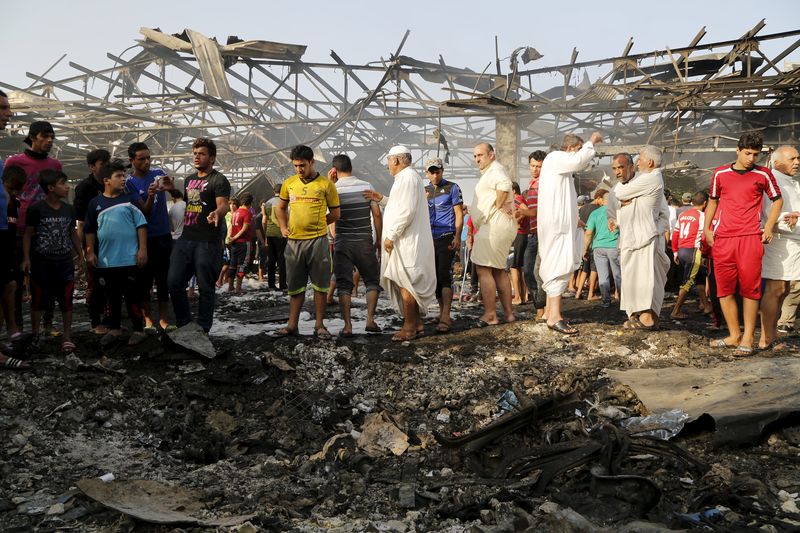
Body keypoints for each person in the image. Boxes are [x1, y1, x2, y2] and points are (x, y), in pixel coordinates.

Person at [704, 132, 782, 354]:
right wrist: (706, 228)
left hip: (750, 238)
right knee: (724, 290)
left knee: (750, 290)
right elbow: (712, 200)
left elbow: (777, 200)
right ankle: (733, 335)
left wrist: (769, 227)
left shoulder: (763, 174)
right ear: (737, 150)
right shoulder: (720, 174)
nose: (751, 158)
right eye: (747, 153)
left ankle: (748, 337)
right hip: (724, 239)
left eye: (755, 154)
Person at [537, 132, 602, 334]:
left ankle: (549, 312)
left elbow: (564, 198)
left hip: (559, 223)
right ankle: (555, 317)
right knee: (559, 264)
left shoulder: (558, 168)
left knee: (555, 262)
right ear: (572, 148)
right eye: (578, 149)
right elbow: (580, 160)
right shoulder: (556, 157)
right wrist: (592, 142)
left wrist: (576, 219)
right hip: (557, 226)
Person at [273, 145, 340, 339]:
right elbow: (280, 208)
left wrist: (319, 224)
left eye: (302, 165)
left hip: (318, 242)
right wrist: (283, 227)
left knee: (320, 286)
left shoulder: (326, 185)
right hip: (294, 243)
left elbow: (336, 213)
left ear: (312, 162)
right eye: (295, 166)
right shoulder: (289, 183)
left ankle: (319, 325)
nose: (299, 169)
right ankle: (292, 325)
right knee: (295, 287)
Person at [167, 138, 231, 334]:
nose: (196, 156)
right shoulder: (189, 180)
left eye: (201, 153)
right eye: (194, 153)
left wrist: (217, 214)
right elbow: (191, 203)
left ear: (211, 158)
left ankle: (203, 328)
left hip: (207, 241)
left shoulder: (219, 180)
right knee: (174, 282)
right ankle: (184, 324)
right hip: (186, 238)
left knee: (205, 287)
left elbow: (224, 205)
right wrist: (170, 189)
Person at [6, 121, 62, 335]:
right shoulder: (15, 162)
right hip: (19, 227)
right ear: (32, 137)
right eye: (44, 136)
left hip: (45, 227)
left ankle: (47, 323)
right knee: (18, 277)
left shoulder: (55, 165)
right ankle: (18, 325)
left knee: (46, 276)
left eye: (52, 137)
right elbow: (7, 190)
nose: (49, 141)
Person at [374, 146, 435, 341]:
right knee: (406, 281)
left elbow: (406, 211)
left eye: (389, 161)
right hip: (406, 240)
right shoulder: (406, 178)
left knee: (405, 282)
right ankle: (416, 324)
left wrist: (391, 235)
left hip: (406, 241)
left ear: (397, 161)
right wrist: (382, 199)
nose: (387, 166)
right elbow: (399, 204)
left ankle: (408, 328)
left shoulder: (407, 178)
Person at [84, 160, 148, 346]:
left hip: (129, 259)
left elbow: (141, 225)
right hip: (106, 261)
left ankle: (139, 329)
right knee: (111, 297)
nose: (123, 179)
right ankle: (115, 328)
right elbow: (90, 229)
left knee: (132, 297)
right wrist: (90, 252)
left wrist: (143, 249)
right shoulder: (95, 203)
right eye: (118, 176)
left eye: (124, 175)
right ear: (106, 180)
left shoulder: (130, 200)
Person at [607, 145, 671, 330]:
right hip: (628, 240)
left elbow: (663, 215)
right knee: (631, 281)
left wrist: (654, 231)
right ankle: (635, 316)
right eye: (615, 169)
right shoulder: (614, 191)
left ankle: (648, 319)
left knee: (647, 281)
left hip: (647, 240)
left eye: (621, 167)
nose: (618, 172)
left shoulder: (648, 179)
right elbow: (614, 212)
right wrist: (614, 220)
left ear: (631, 167)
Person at [22, 170, 82, 354]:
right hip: (41, 262)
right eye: (63, 183)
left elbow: (72, 233)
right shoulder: (37, 209)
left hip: (64, 263)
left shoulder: (68, 209)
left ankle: (66, 337)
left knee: (66, 300)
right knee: (38, 301)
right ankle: (35, 335)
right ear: (50, 188)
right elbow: (28, 234)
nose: (67, 186)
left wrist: (81, 255)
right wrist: (26, 258)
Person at [329, 154, 383, 336]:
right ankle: (370, 320)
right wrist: (378, 238)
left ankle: (347, 326)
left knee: (344, 284)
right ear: (351, 167)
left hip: (343, 241)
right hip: (364, 240)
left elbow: (331, 217)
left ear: (334, 170)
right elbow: (376, 214)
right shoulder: (366, 186)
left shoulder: (333, 189)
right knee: (372, 281)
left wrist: (336, 237)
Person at [126, 142, 174, 332]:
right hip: (144, 238)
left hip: (163, 235)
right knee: (144, 280)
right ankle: (148, 319)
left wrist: (170, 187)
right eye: (141, 159)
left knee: (163, 279)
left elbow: (174, 192)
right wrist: (151, 195)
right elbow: (144, 211)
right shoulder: (129, 183)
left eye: (148, 158)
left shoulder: (158, 173)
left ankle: (163, 318)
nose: (146, 162)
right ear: (132, 161)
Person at [470, 143, 517, 327]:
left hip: (493, 226)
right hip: (497, 225)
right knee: (498, 270)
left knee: (483, 269)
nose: (477, 159)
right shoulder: (491, 171)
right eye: (475, 156)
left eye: (480, 155)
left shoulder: (495, 169)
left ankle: (490, 314)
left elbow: (505, 185)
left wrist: (499, 204)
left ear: (491, 155)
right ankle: (509, 314)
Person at [758, 145, 800, 349]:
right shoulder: (772, 182)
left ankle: (772, 334)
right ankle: (766, 337)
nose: (797, 162)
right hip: (779, 242)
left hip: (793, 242)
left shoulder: (791, 182)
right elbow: (768, 215)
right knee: (775, 289)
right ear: (776, 163)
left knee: (783, 289)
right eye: (792, 159)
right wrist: (789, 219)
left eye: (798, 158)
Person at [424, 156, 463, 332]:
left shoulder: (452, 187)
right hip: (428, 238)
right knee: (435, 278)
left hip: (446, 236)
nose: (434, 175)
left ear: (442, 171)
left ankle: (446, 316)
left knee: (444, 275)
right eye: (431, 172)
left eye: (437, 172)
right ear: (426, 173)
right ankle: (441, 313)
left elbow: (459, 214)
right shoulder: (423, 190)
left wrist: (457, 236)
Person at [74, 149, 111, 334]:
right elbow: (81, 222)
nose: (106, 166)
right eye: (102, 163)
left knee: (113, 282)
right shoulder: (84, 188)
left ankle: (110, 318)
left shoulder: (112, 184)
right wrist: (84, 252)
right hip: (94, 241)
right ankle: (96, 321)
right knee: (97, 282)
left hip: (112, 241)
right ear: (92, 166)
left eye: (108, 162)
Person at [669, 191, 711, 320]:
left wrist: (675, 251)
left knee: (699, 278)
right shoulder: (702, 216)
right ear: (705, 203)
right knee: (687, 281)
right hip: (693, 251)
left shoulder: (683, 215)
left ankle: (705, 305)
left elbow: (675, 234)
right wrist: (705, 253)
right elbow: (703, 236)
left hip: (682, 250)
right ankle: (676, 311)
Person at [516, 151, 547, 318]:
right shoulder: (533, 184)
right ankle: (539, 306)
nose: (535, 169)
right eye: (533, 166)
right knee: (527, 270)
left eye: (539, 166)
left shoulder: (545, 183)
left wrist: (522, 210)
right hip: (533, 234)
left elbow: (540, 210)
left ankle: (544, 309)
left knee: (538, 272)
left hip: (544, 233)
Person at [582, 189, 619, 308]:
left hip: (598, 247)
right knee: (618, 274)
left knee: (603, 275)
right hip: (614, 246)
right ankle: (622, 299)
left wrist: (585, 249)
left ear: (603, 201)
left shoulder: (595, 213)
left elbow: (588, 233)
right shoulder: (618, 212)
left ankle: (606, 300)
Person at [575, 191, 602, 300]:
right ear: (599, 198)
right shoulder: (597, 210)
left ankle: (578, 292)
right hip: (594, 240)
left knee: (585, 269)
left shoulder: (582, 208)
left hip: (584, 240)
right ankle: (591, 294)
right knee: (594, 268)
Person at [228, 192, 254, 294]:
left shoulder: (235, 212)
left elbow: (231, 226)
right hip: (243, 242)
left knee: (232, 264)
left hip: (234, 243)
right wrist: (235, 237)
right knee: (242, 265)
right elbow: (245, 228)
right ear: (250, 203)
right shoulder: (247, 213)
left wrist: (231, 238)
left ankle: (230, 286)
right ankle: (238, 288)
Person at [264, 183, 287, 290]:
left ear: (274, 191)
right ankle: (283, 284)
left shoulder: (267, 203)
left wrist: (265, 234)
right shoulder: (284, 202)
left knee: (271, 259)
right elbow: (287, 216)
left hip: (269, 233)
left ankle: (271, 284)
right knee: (282, 258)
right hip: (281, 233)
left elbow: (264, 220)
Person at [509, 182, 528, 305]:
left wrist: (516, 221)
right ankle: (524, 295)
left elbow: (525, 211)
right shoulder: (521, 199)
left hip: (519, 234)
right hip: (523, 235)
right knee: (520, 267)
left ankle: (517, 297)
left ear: (513, 190)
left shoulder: (516, 199)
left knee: (513, 267)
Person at [253, 199, 267, 283]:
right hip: (261, 240)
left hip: (267, 239)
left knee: (266, 257)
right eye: (263, 205)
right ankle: (260, 276)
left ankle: (262, 274)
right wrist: (262, 241)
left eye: (265, 205)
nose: (264, 207)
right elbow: (257, 231)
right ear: (260, 206)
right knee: (262, 257)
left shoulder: (268, 216)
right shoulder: (258, 217)